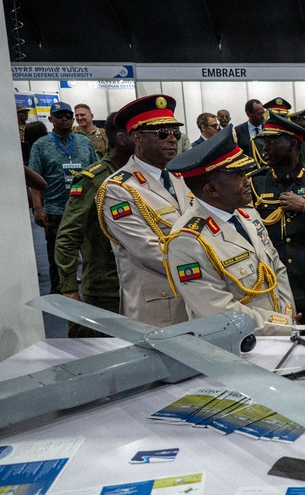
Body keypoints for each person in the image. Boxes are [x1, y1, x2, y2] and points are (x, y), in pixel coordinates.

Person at [164, 128, 297, 335]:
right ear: (211, 190)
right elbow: (217, 311)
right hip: (236, 345)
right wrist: (280, 323)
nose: (247, 181)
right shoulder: (187, 240)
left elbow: (276, 269)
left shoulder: (248, 215)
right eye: (238, 176)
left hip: (278, 334)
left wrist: (287, 312)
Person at [97, 94, 189, 327]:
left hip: (193, 296)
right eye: (162, 133)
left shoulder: (181, 179)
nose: (171, 139)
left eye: (175, 133)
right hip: (158, 304)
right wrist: (208, 267)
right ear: (136, 138)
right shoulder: (119, 188)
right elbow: (147, 249)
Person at [54, 112, 133, 336]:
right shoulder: (93, 180)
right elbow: (68, 237)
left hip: (140, 284)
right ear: (122, 138)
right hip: (106, 289)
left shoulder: (144, 178)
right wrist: (69, 289)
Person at [249, 113, 305, 325]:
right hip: (269, 281)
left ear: (294, 143)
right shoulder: (255, 183)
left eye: (273, 141)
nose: (265, 148)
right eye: (264, 142)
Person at [28, 101, 99, 294]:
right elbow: (34, 180)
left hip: (85, 209)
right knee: (57, 255)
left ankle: (92, 290)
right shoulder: (41, 145)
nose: (65, 119)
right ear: (50, 119)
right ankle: (59, 294)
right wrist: (37, 208)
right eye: (60, 116)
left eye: (68, 116)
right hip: (55, 210)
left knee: (92, 253)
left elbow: (97, 171)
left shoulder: (84, 142)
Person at [233, 98, 265, 164]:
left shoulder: (268, 128)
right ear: (248, 114)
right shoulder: (238, 131)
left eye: (263, 113)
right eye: (259, 114)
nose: (262, 116)